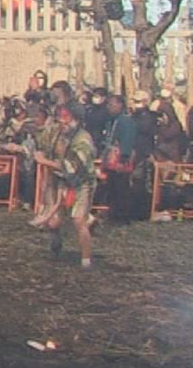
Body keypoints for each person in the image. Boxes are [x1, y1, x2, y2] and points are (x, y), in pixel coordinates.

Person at [35, 103, 97, 268]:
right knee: (53, 221)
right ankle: (56, 241)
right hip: (59, 180)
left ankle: (86, 260)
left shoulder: (84, 140)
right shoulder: (55, 132)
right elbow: (42, 145)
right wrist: (39, 152)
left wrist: (45, 161)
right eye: (60, 118)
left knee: (78, 220)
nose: (62, 121)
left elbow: (73, 166)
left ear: (76, 120)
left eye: (66, 118)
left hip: (81, 182)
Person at [98, 95, 138, 223]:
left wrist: (123, 159)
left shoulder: (126, 121)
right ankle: (113, 214)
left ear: (120, 105)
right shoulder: (111, 121)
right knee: (112, 187)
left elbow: (127, 140)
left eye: (112, 105)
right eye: (108, 105)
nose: (109, 108)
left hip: (120, 158)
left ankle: (122, 216)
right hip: (111, 158)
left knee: (121, 188)